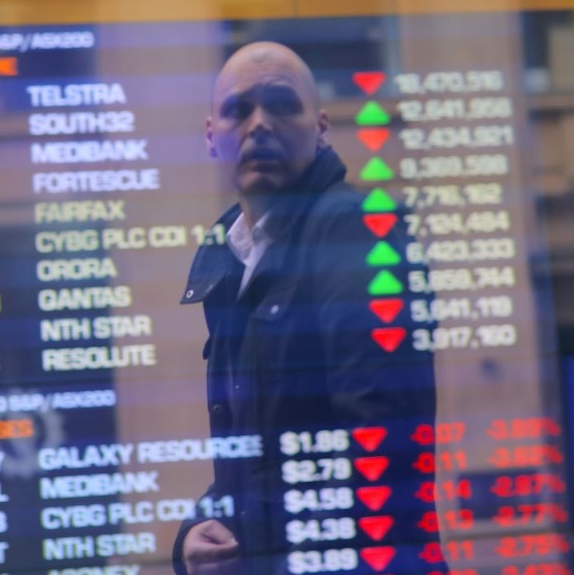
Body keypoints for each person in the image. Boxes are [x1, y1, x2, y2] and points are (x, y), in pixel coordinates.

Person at [173, 42, 439, 575]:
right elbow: (260, 460)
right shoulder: (230, 258)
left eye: (281, 104)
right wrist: (194, 537)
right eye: (238, 110)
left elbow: (379, 446)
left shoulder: (356, 229)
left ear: (321, 130)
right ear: (211, 137)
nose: (259, 124)